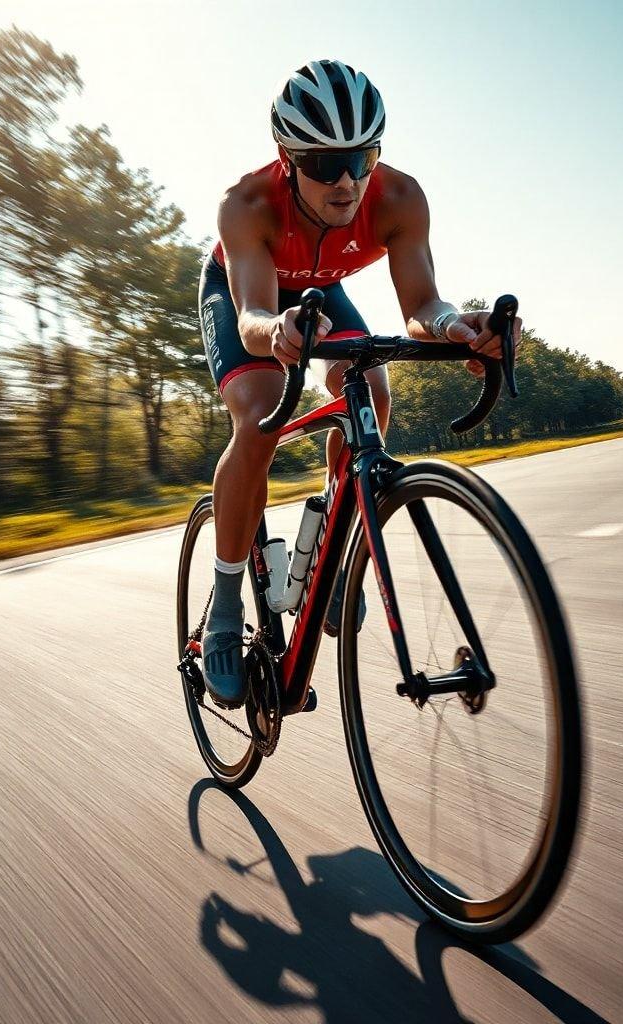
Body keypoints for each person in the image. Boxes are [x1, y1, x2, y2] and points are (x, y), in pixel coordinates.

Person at [198, 59, 520, 708]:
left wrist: (461, 327)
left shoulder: (398, 199)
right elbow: (255, 319)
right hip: (249, 296)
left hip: (321, 291)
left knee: (370, 391)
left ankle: (333, 544)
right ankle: (226, 604)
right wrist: (278, 332)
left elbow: (422, 307)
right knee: (259, 414)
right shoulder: (248, 205)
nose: (346, 180)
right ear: (287, 160)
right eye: (323, 164)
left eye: (362, 157)